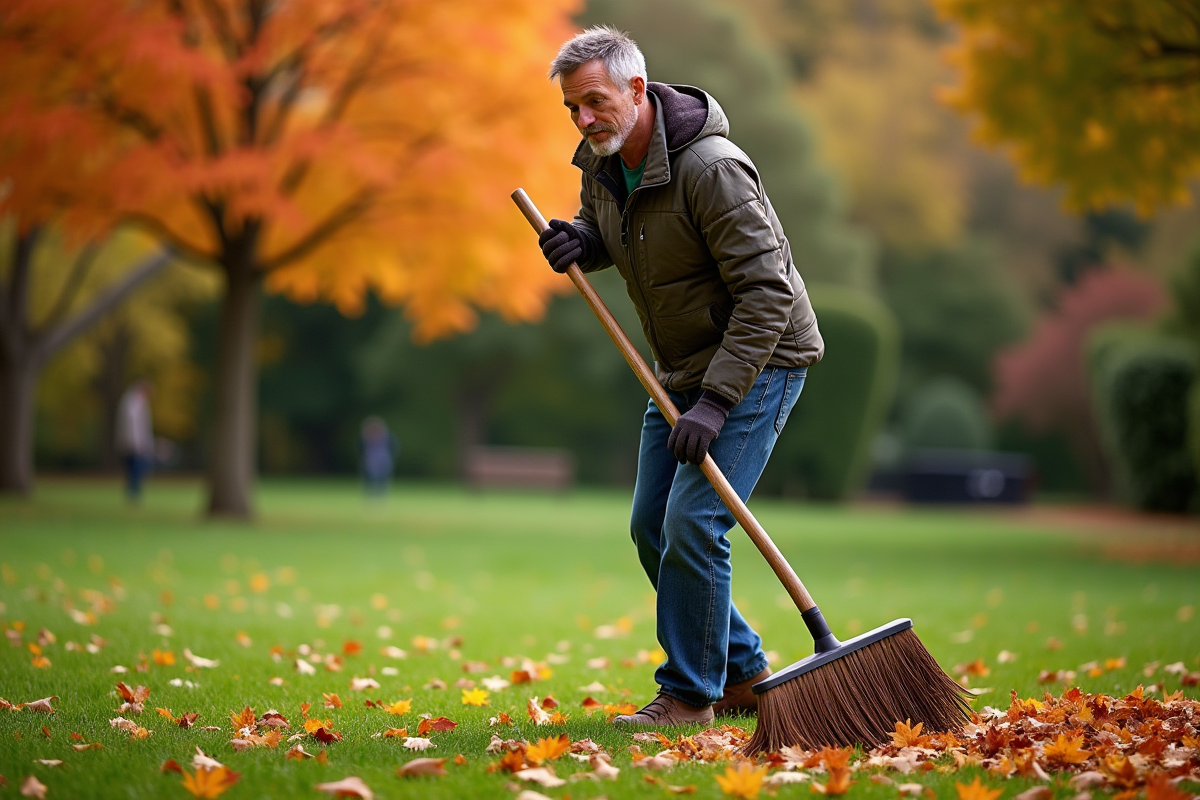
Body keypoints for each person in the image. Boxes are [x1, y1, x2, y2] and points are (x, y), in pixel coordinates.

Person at [540, 27, 824, 726]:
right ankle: (743, 673)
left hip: (758, 362)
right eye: (572, 108)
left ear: (637, 90)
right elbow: (626, 231)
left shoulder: (712, 167)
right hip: (679, 371)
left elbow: (767, 293)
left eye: (595, 102)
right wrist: (584, 241)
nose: (583, 120)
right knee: (650, 528)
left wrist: (717, 403)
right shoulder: (602, 161)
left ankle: (689, 695)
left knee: (694, 523)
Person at [115, 380, 154, 502]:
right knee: (135, 469)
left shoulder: (136, 402)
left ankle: (134, 493)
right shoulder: (133, 402)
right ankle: (134, 494)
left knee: (134, 469)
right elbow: (133, 426)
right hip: (133, 444)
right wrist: (138, 443)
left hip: (134, 443)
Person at [360, 416, 397, 497]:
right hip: (371, 460)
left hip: (384, 460)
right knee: (371, 477)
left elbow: (394, 447)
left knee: (383, 478)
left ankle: (381, 495)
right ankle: (371, 494)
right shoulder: (367, 438)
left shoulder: (387, 437)